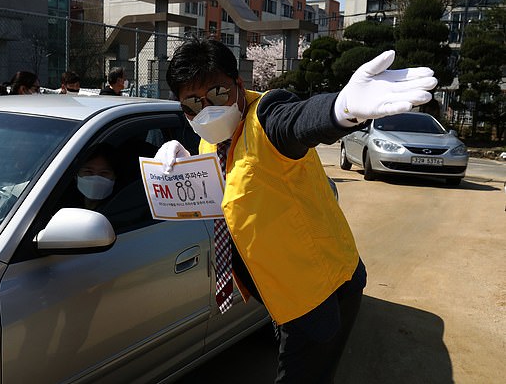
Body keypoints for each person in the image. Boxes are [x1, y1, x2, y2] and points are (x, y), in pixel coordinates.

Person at [154, 37, 437, 383]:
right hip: (280, 292)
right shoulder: (210, 138)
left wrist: (341, 108)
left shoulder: (268, 118)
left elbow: (297, 120)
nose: (206, 110)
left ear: (239, 85)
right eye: (192, 104)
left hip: (322, 296)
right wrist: (190, 161)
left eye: (217, 94)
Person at [71, 143, 119, 211]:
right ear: (76, 175)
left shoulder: (120, 210)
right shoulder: (61, 204)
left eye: (104, 173)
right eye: (88, 171)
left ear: (114, 177)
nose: (96, 179)